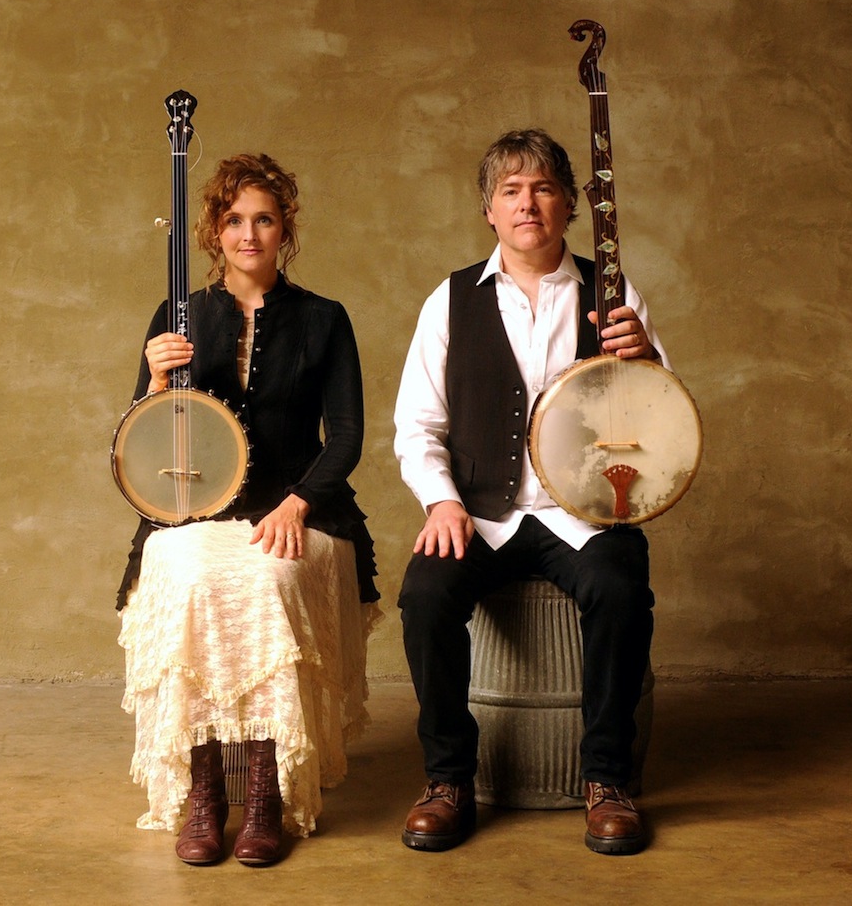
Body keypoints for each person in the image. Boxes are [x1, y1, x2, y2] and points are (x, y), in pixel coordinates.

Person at [393, 128, 668, 856]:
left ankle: (607, 780)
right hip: (482, 513)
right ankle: (447, 778)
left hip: (582, 515)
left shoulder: (612, 293)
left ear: (569, 205)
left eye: (543, 188)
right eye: (511, 190)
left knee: (620, 586)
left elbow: (656, 414)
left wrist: (645, 357)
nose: (528, 203)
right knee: (424, 593)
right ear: (488, 208)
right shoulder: (450, 300)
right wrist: (442, 500)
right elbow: (417, 423)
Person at [116, 153, 379, 867]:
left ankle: (265, 795)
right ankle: (206, 797)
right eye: (234, 220)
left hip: (305, 505)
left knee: (269, 578)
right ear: (213, 230)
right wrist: (153, 377)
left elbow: (348, 435)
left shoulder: (325, 319)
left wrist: (298, 502)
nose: (249, 233)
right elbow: (142, 441)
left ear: (284, 227)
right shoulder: (181, 315)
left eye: (264, 218)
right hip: (194, 513)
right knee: (190, 576)